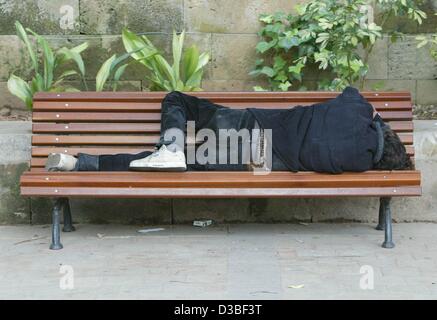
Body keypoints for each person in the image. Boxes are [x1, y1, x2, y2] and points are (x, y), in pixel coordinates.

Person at [45, 86, 412, 173]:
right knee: (182, 163)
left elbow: (355, 94)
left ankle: (169, 148)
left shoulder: (357, 110)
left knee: (177, 99)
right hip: (256, 161)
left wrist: (373, 116)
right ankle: (78, 163)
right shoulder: (360, 164)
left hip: (246, 125)